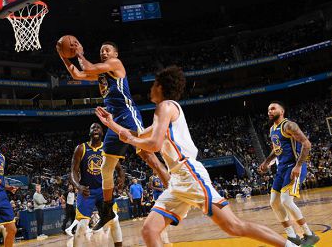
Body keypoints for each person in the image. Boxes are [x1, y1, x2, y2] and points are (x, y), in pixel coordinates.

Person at [95, 66, 302, 247]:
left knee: (234, 226)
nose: (150, 89)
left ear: (160, 87)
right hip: (177, 181)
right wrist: (111, 124)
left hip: (189, 174)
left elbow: (152, 144)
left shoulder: (165, 106)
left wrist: (131, 140)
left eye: (153, 85)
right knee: (149, 230)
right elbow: (139, 135)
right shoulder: (164, 112)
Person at [57, 37, 170, 230]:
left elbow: (89, 68)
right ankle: (107, 210)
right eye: (102, 50)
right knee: (106, 169)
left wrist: (79, 53)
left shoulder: (115, 64)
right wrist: (63, 57)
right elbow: (77, 74)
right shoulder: (101, 74)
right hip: (112, 121)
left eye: (107, 50)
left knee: (146, 154)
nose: (104, 52)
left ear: (115, 54)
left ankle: (172, 188)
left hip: (128, 114)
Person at [258, 101, 320, 246]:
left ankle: (309, 235)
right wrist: (267, 162)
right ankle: (292, 236)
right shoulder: (272, 129)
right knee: (274, 202)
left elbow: (307, 144)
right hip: (282, 168)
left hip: (294, 166)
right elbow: (277, 150)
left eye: (273, 108)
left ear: (282, 111)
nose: (270, 111)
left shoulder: (289, 125)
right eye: (268, 109)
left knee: (286, 201)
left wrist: (298, 166)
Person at [70, 123, 124, 247]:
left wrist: (121, 179)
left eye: (98, 128)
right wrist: (78, 186)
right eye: (93, 128)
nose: (95, 129)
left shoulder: (107, 148)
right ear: (89, 132)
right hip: (86, 191)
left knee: (114, 220)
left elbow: (120, 169)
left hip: (104, 190)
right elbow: (73, 171)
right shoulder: (81, 148)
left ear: (102, 133)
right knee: (82, 226)